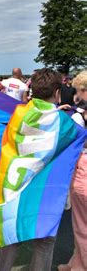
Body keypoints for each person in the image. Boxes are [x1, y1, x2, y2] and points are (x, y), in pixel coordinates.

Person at [0, 68, 75, 271]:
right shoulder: (64, 123)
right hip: (46, 195)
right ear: (57, 93)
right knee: (44, 244)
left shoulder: (18, 115)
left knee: (11, 239)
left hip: (15, 189)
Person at [58, 70, 87, 271]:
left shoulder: (79, 117)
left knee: (82, 227)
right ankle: (75, 263)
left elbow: (67, 145)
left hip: (84, 173)